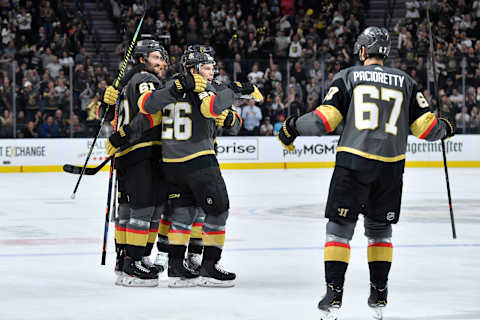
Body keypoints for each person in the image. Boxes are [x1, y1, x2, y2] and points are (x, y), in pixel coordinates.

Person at [278, 27, 455, 320]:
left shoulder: (349, 76)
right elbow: (426, 129)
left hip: (353, 162)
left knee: (339, 229)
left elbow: (326, 120)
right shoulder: (406, 81)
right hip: (391, 166)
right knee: (380, 231)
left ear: (362, 50)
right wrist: (446, 127)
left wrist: (292, 126)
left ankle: (333, 296)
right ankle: (379, 295)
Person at [139, 49, 262, 287]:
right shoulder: (202, 87)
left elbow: (146, 105)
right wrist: (235, 91)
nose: (212, 72)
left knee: (183, 213)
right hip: (198, 158)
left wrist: (229, 117)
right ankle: (209, 266)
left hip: (172, 163)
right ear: (193, 70)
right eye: (206, 68)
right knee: (219, 208)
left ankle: (176, 266)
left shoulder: (169, 86)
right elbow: (211, 109)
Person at [102, 39, 173, 287]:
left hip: (126, 154)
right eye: (156, 57)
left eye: (163, 58)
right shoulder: (146, 79)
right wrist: (127, 135)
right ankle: (135, 261)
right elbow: (150, 112)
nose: (161, 62)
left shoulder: (125, 84)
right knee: (147, 209)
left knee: (127, 209)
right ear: (142, 59)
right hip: (142, 150)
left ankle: (124, 260)